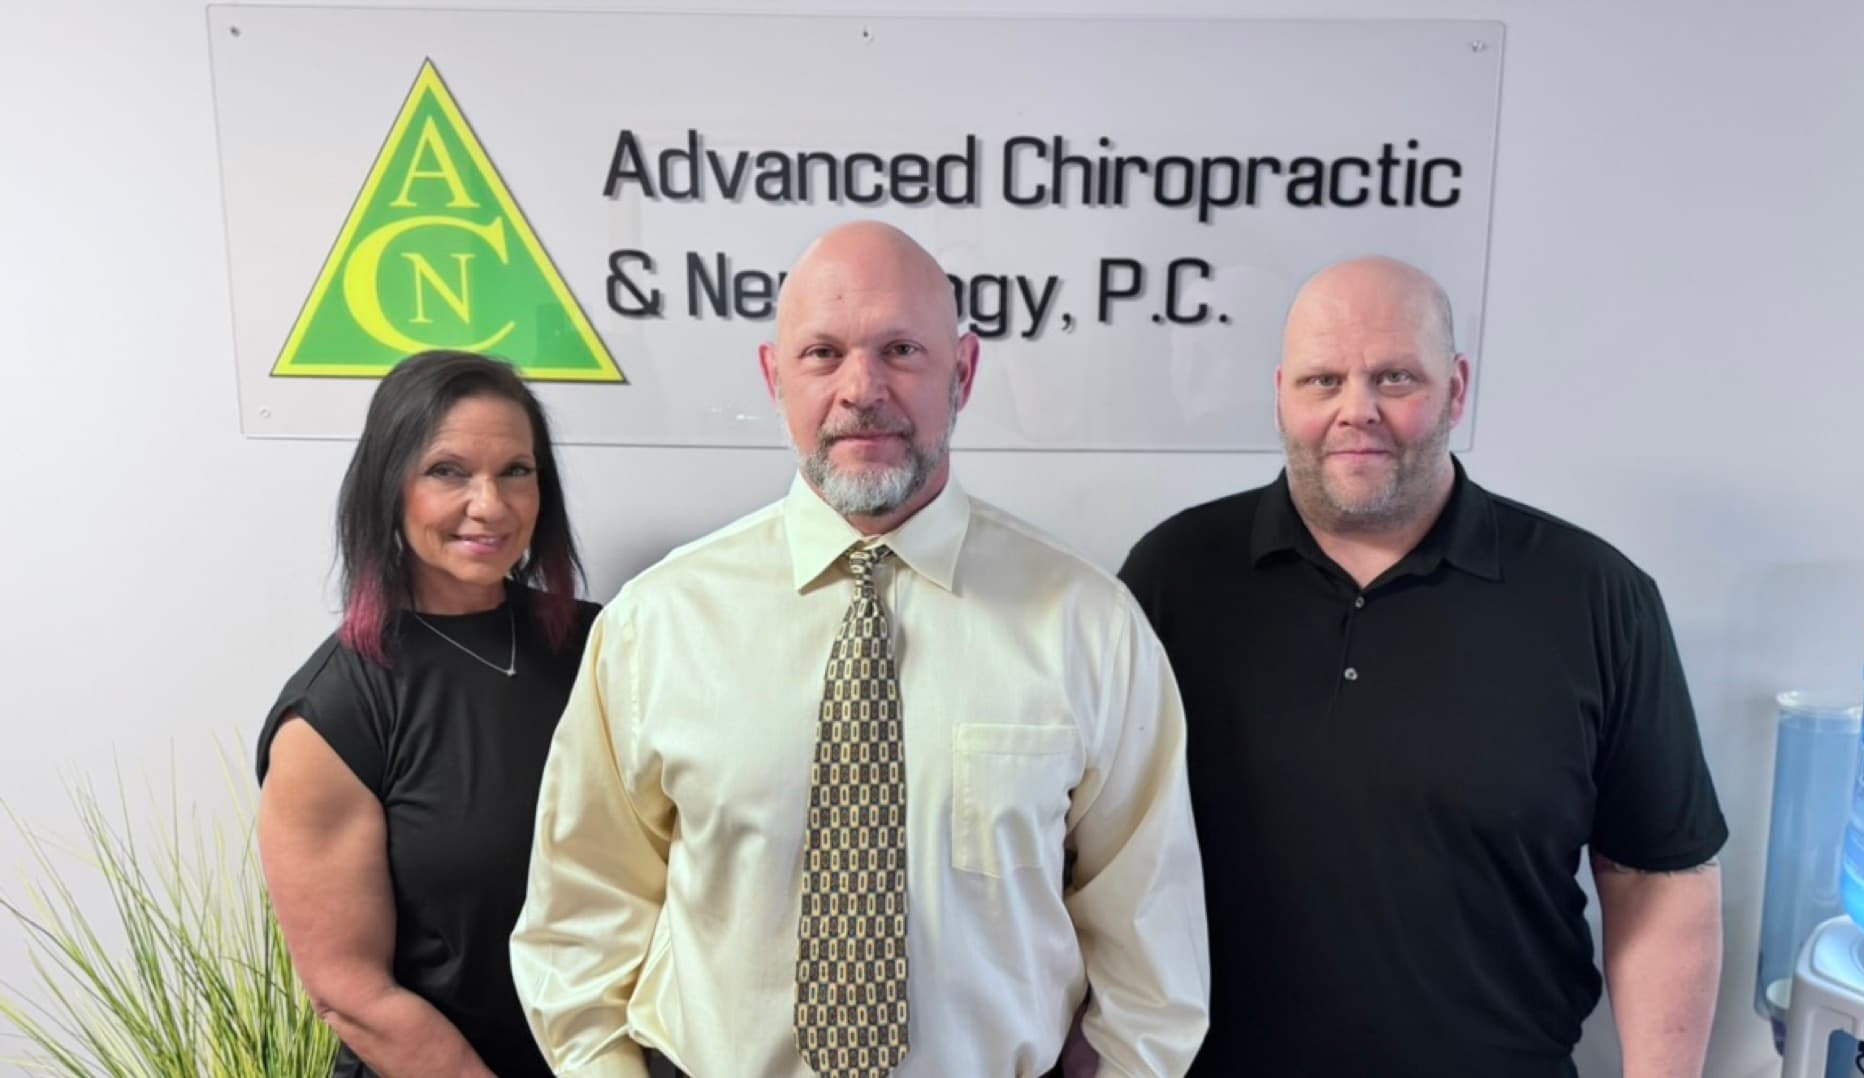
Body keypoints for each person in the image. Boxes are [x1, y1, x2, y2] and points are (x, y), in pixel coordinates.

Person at [510, 221, 1208, 1077]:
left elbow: (1151, 953)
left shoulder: (1089, 627)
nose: (861, 388)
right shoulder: (657, 623)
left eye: (903, 349)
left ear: (964, 372)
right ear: (775, 376)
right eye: (823, 354)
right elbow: (579, 919)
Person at [1118, 257, 1727, 1076]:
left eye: (1394, 377)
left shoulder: (1594, 598)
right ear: (1280, 394)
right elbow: (1097, 854)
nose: (1354, 410)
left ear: (1457, 388)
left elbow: (1659, 877)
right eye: (1322, 379)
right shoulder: (1173, 577)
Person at [257, 350, 601, 1077]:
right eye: (448, 471)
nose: (491, 505)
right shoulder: (336, 712)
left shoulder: (607, 645)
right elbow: (351, 994)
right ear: (391, 486)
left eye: (517, 470)